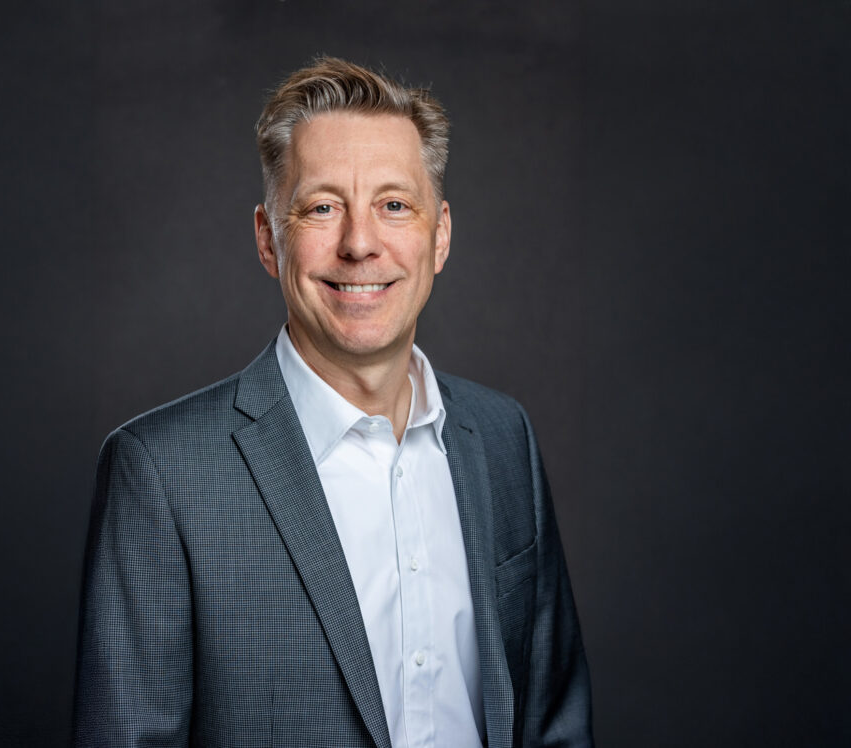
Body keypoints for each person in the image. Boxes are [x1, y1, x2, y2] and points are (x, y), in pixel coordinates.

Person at [72, 57, 592, 748]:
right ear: (267, 238)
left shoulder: (502, 438)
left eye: (394, 205)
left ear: (439, 236)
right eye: (321, 207)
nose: (359, 243)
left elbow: (554, 723)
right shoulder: (162, 475)